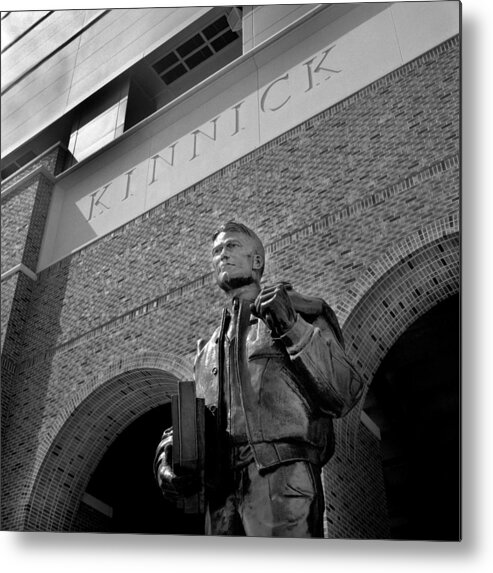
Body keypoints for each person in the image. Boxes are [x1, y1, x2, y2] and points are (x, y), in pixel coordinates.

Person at [154, 221, 363, 537]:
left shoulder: (302, 310)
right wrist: (167, 455)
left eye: (232, 246)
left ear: (257, 262)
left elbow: (344, 391)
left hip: (283, 478)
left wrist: (290, 326)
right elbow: (196, 421)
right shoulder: (207, 350)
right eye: (217, 251)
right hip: (220, 498)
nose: (222, 255)